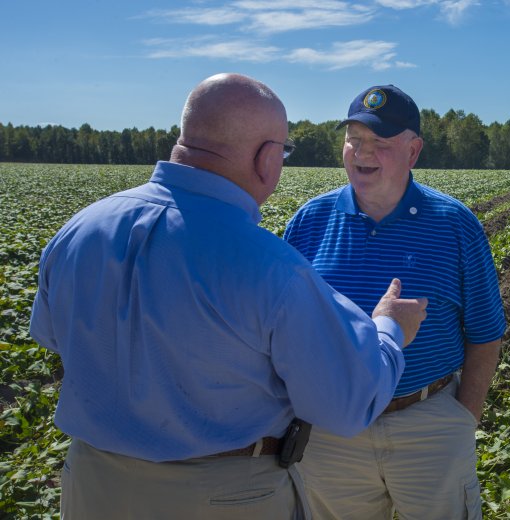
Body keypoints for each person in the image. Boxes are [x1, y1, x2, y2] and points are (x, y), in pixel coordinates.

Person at [29, 73, 428, 520]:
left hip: (91, 484)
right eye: (283, 152)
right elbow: (349, 404)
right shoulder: (270, 267)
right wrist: (389, 327)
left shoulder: (78, 231)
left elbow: (52, 339)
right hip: (222, 496)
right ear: (265, 158)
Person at [284, 84, 506, 519]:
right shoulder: (309, 222)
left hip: (428, 424)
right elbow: (286, 329)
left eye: (380, 143)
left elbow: (485, 333)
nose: (362, 153)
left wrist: (463, 420)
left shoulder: (455, 225)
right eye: (354, 140)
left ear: (413, 151)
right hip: (335, 430)